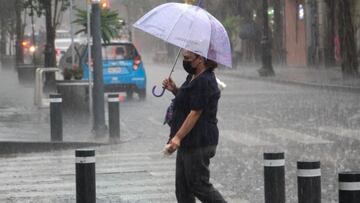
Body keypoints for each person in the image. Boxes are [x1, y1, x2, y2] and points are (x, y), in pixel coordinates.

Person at [162, 49, 227, 203]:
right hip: (188, 140)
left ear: (201, 59)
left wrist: (177, 137)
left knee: (199, 185)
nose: (186, 62)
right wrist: (176, 90)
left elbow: (195, 112)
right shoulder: (193, 76)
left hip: (199, 141)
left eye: (188, 58)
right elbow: (188, 101)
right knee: (182, 189)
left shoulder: (204, 80)